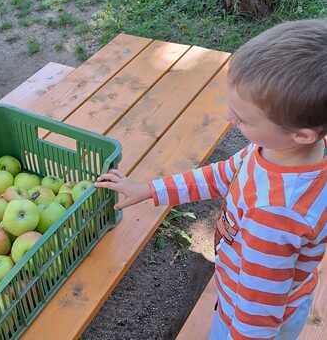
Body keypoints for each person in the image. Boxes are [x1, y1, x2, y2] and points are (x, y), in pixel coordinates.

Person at [95, 19, 327, 339]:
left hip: (249, 320)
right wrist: (150, 190)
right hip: (266, 294)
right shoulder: (282, 152)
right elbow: (223, 174)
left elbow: (258, 312)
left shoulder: (273, 217)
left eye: (243, 119)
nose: (230, 119)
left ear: (301, 134)